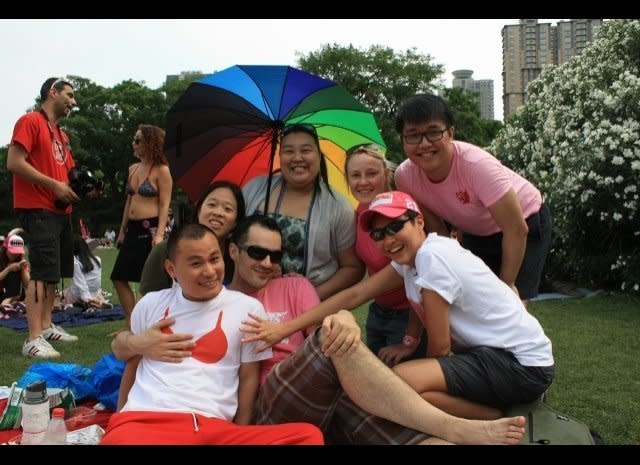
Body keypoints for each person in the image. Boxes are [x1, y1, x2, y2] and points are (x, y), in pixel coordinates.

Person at [114, 215, 527, 445]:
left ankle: (451, 434)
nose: (267, 263)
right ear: (235, 251)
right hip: (274, 396)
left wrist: (341, 319)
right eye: (257, 252)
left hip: (315, 385)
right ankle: (452, 426)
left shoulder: (286, 290)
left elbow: (330, 329)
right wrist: (133, 343)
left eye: (276, 255)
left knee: (359, 400)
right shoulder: (170, 304)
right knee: (343, 366)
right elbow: (127, 356)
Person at [243, 191, 554, 420]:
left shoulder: (433, 256)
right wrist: (284, 328)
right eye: (378, 234)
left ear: (418, 221)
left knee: (398, 385)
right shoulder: (411, 261)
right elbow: (354, 295)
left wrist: (421, 377)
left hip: (522, 364)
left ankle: (498, 422)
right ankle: (497, 414)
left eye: (395, 227)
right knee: (399, 388)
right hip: (492, 357)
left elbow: (441, 346)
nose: (387, 240)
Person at [101, 223, 323, 445]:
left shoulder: (247, 309)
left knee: (308, 436)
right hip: (147, 423)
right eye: (196, 263)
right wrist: (120, 419)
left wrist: (239, 431)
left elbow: (248, 379)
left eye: (214, 259)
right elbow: (130, 363)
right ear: (172, 269)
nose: (209, 271)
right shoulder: (152, 304)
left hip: (214, 429)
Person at [394, 94, 552, 306]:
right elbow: (437, 230)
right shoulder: (405, 177)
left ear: (450, 133)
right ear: (403, 141)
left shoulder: (476, 166)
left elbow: (516, 229)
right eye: (412, 135)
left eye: (433, 132)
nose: (423, 144)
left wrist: (506, 286)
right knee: (474, 300)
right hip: (476, 231)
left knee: (511, 304)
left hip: (524, 222)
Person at [243, 124, 363, 300]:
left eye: (306, 150)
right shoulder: (254, 189)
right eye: (289, 151)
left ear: (318, 156)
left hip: (305, 312)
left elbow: (353, 268)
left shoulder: (338, 207)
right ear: (280, 156)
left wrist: (308, 297)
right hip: (249, 300)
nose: (297, 158)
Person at [7, 77, 80, 358]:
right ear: (53, 92)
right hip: (38, 208)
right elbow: (14, 162)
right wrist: (54, 185)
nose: (74, 102)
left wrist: (82, 186)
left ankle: (47, 326)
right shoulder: (30, 121)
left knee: (51, 275)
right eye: (69, 95)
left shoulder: (62, 134)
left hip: (60, 211)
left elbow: (69, 173)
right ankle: (33, 338)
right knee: (40, 273)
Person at [345, 143, 427, 361]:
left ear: (386, 174)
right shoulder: (360, 215)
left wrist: (411, 337)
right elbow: (356, 268)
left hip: (410, 316)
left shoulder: (403, 213)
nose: (363, 182)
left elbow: (424, 277)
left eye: (371, 173)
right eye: (355, 175)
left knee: (401, 385)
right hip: (378, 313)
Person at [111, 124, 173, 327]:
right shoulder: (133, 169)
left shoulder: (162, 170)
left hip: (151, 229)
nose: (133, 143)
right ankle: (131, 321)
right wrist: (122, 231)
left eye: (138, 140)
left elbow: (165, 203)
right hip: (133, 229)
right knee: (119, 277)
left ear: (149, 143)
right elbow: (129, 202)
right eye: (134, 139)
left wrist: (160, 234)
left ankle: (141, 324)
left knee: (147, 280)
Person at [139, 180, 246, 296]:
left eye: (227, 209)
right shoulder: (165, 250)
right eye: (212, 205)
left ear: (236, 221)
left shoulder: (239, 257)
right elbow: (145, 304)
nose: (218, 212)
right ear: (199, 210)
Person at [62, 234, 111, 311]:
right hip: (94, 291)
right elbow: (96, 281)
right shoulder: (97, 259)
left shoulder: (75, 262)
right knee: (67, 291)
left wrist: (87, 299)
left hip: (82, 293)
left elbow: (81, 284)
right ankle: (100, 301)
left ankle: (70, 305)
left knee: (65, 295)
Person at [0, 230, 30, 315]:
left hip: (16, 295)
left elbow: (28, 285)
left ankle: (10, 304)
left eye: (17, 252)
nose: (15, 255)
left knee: (16, 271)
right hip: (3, 293)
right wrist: (9, 269)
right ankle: (11, 304)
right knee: (13, 270)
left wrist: (23, 268)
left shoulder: (20, 261)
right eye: (12, 252)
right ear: (5, 249)